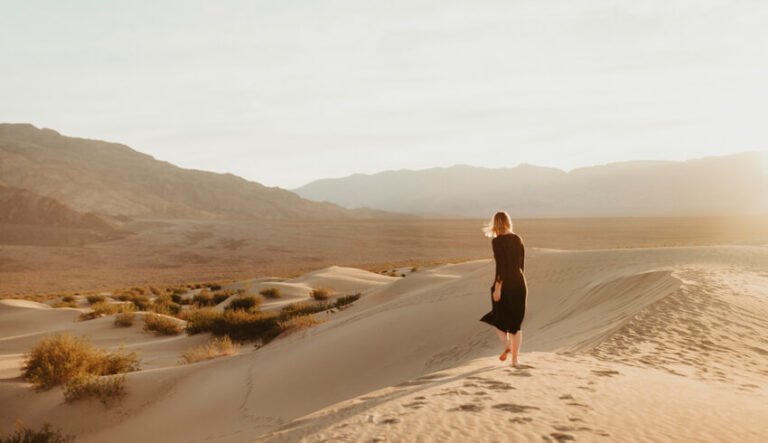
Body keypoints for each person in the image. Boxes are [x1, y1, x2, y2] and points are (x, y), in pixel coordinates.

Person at [480, 210, 527, 367]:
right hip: (519, 284)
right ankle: (515, 360)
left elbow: (501, 267)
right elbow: (521, 265)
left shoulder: (497, 242)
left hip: (504, 285)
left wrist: (498, 288)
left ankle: (507, 345)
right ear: (508, 221)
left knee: (498, 317)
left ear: (495, 224)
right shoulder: (518, 238)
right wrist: (519, 282)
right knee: (516, 324)